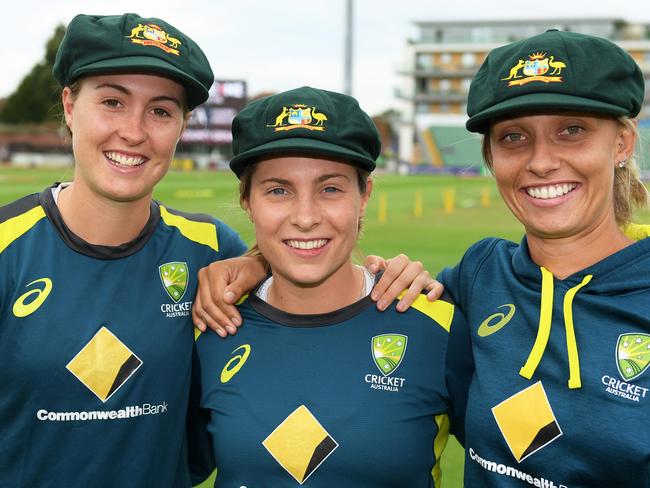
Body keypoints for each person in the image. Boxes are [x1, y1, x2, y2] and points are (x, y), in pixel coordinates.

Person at [0, 13, 249, 487]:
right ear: (70, 105)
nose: (134, 132)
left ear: (182, 126)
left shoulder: (211, 249)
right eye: (113, 102)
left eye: (160, 110)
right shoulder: (6, 247)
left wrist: (259, 264)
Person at [190, 86, 465, 487]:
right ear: (247, 201)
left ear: (364, 195)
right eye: (278, 190)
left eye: (330, 188)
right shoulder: (211, 327)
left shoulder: (437, 326)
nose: (305, 217)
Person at [440, 29, 650, 486]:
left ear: (622, 143)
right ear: (492, 157)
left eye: (571, 131)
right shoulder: (479, 275)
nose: (540, 162)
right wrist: (258, 269)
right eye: (514, 137)